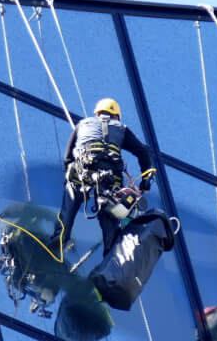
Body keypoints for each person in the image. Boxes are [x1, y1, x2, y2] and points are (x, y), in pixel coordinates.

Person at [58, 98, 157, 256]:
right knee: (110, 217)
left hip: (82, 171)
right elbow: (142, 152)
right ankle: (111, 260)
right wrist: (146, 179)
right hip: (109, 178)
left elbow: (68, 157)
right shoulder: (121, 128)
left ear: (97, 113)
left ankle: (58, 240)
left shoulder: (83, 124)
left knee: (70, 200)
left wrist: (68, 175)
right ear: (116, 116)